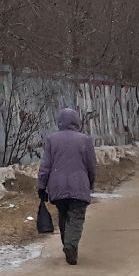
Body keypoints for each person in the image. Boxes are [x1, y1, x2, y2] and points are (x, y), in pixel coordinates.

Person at [37, 106, 97, 265]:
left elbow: (45, 166)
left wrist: (41, 185)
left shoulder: (52, 140)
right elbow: (91, 166)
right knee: (76, 216)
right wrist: (90, 182)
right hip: (79, 184)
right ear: (77, 121)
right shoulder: (85, 140)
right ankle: (71, 245)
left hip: (57, 186)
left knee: (63, 216)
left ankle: (68, 245)